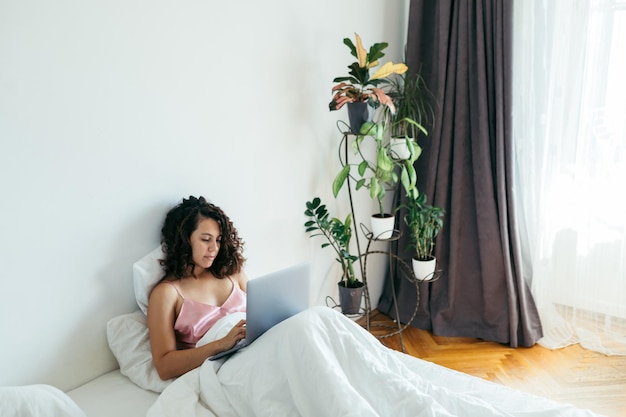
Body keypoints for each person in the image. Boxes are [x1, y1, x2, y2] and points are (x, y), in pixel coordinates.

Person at [147, 196, 248, 380]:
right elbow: (164, 366)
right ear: (185, 240)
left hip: (255, 348)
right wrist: (221, 344)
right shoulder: (167, 293)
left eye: (218, 240)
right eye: (205, 239)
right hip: (225, 369)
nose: (214, 248)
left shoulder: (233, 273)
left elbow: (261, 314)